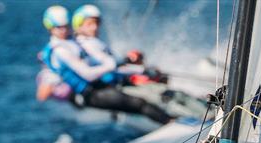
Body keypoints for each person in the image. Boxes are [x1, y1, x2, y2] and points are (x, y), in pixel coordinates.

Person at [40, 5, 172, 124]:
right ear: (50, 27)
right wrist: (112, 65)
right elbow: (88, 75)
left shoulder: (71, 43)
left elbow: (102, 61)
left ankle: (168, 117)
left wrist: (138, 69)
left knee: (147, 97)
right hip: (90, 94)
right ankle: (171, 123)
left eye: (66, 26)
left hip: (101, 86)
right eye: (59, 27)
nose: (64, 30)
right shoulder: (60, 50)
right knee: (139, 103)